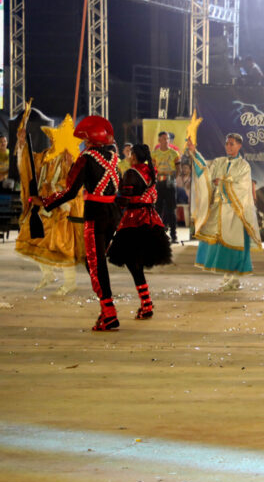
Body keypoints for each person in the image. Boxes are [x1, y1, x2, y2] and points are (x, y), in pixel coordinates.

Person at [34, 116, 121, 331]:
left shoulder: (86, 157)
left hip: (95, 215)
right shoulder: (113, 157)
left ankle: (109, 313)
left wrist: (45, 201)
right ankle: (107, 310)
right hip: (113, 214)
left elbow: (71, 190)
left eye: (85, 139)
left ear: (90, 140)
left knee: (94, 263)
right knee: (98, 262)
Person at [14, 121, 85, 295]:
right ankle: (48, 274)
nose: (54, 140)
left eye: (58, 138)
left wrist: (57, 189)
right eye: (52, 138)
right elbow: (29, 165)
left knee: (63, 245)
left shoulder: (70, 158)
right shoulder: (45, 155)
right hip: (43, 206)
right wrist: (22, 144)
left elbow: (73, 184)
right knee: (33, 237)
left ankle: (70, 282)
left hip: (61, 208)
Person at [188, 133, 262, 290]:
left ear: (239, 146)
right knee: (221, 245)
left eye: (232, 144)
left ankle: (235, 278)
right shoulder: (219, 162)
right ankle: (228, 275)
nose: (229, 146)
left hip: (237, 210)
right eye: (227, 144)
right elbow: (206, 173)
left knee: (236, 243)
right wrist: (195, 152)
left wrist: (222, 183)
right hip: (220, 209)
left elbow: (242, 187)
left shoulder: (244, 166)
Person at [107, 144, 172, 320]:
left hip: (134, 221)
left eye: (130, 154)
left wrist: (110, 200)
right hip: (150, 218)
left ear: (134, 156)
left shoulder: (131, 173)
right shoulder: (150, 171)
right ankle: (146, 303)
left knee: (132, 263)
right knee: (136, 263)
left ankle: (147, 304)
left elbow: (125, 199)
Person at [153, 131, 180, 243]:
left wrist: (173, 179)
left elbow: (178, 169)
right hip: (159, 183)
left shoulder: (174, 153)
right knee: (157, 209)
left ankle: (173, 235)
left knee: (171, 210)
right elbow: (153, 168)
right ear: (159, 140)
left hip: (170, 184)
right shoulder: (155, 154)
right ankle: (158, 234)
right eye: (164, 138)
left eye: (168, 138)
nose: (166, 140)